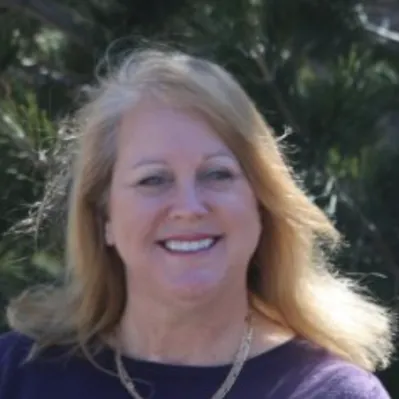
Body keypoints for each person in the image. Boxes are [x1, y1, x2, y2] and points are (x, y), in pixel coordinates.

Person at [0, 48, 394, 399]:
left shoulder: (328, 392)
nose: (189, 207)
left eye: (218, 175)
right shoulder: (17, 375)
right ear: (104, 218)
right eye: (153, 179)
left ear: (261, 202)